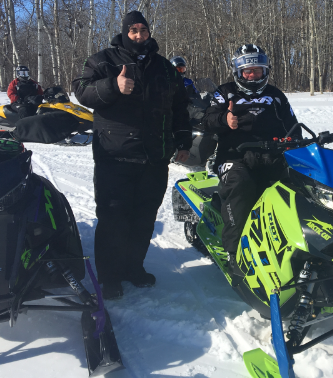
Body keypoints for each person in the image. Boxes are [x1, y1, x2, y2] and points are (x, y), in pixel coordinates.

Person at [72, 11, 191, 299]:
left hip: (155, 157)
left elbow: (179, 108)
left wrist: (183, 141)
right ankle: (109, 276)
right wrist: (113, 86)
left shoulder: (163, 68)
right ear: (125, 32)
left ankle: (133, 268)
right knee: (114, 217)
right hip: (115, 155)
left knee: (144, 217)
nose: (139, 35)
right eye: (133, 30)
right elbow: (81, 91)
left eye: (143, 30)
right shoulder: (103, 61)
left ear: (149, 32)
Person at [202, 44, 299, 276]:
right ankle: (234, 253)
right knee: (241, 185)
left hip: (272, 154)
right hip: (234, 156)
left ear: (265, 71)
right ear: (238, 72)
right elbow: (206, 119)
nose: (253, 76)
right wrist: (225, 120)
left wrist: (294, 143)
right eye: (248, 72)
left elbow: (293, 125)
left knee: (294, 188)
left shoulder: (275, 95)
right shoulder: (224, 93)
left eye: (257, 71)